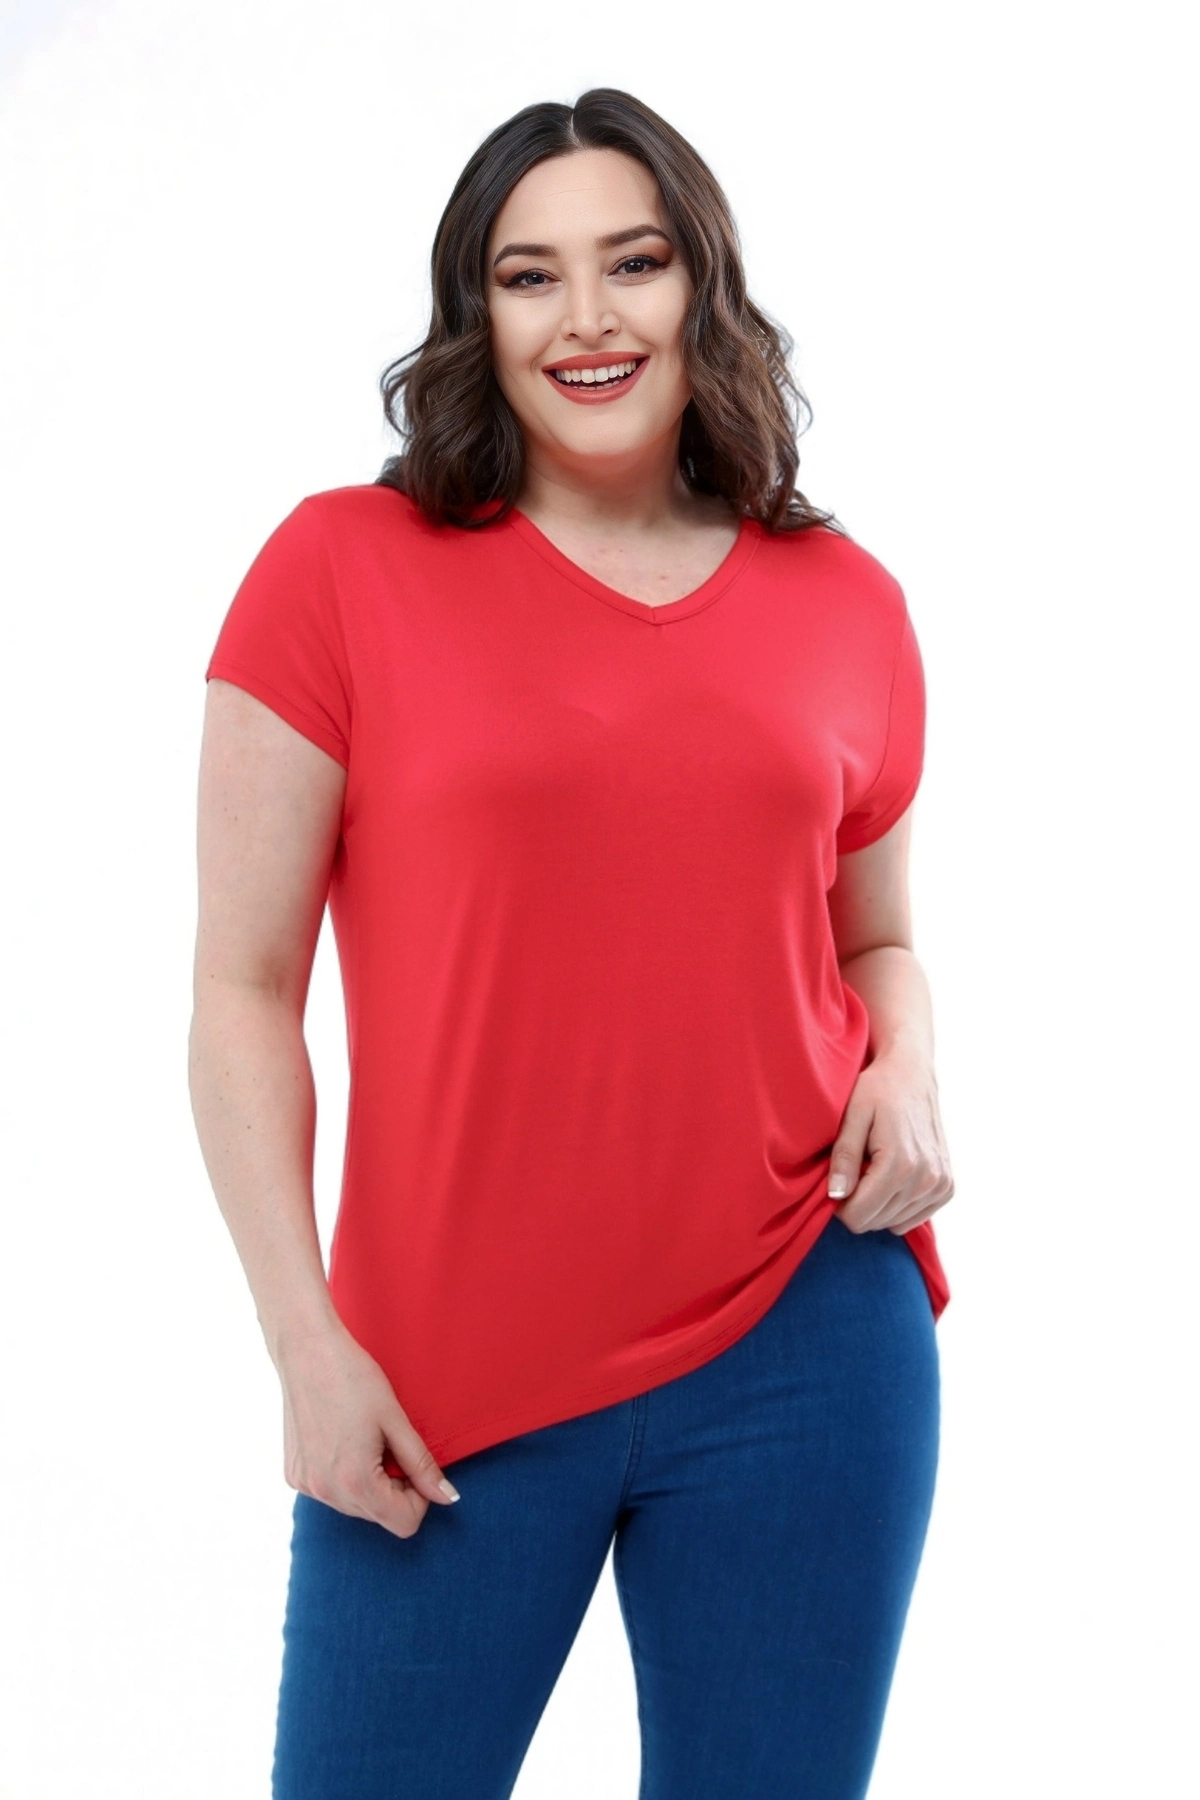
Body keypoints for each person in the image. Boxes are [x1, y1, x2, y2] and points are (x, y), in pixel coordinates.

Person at [189, 86, 955, 1800]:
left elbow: (878, 942)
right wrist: (306, 1348)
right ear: (478, 311)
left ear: (705, 288)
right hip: (440, 1381)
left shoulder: (846, 602)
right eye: (530, 275)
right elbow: (241, 988)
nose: (588, 318)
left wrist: (909, 1063)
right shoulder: (340, 570)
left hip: (808, 1338)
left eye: (636, 262)